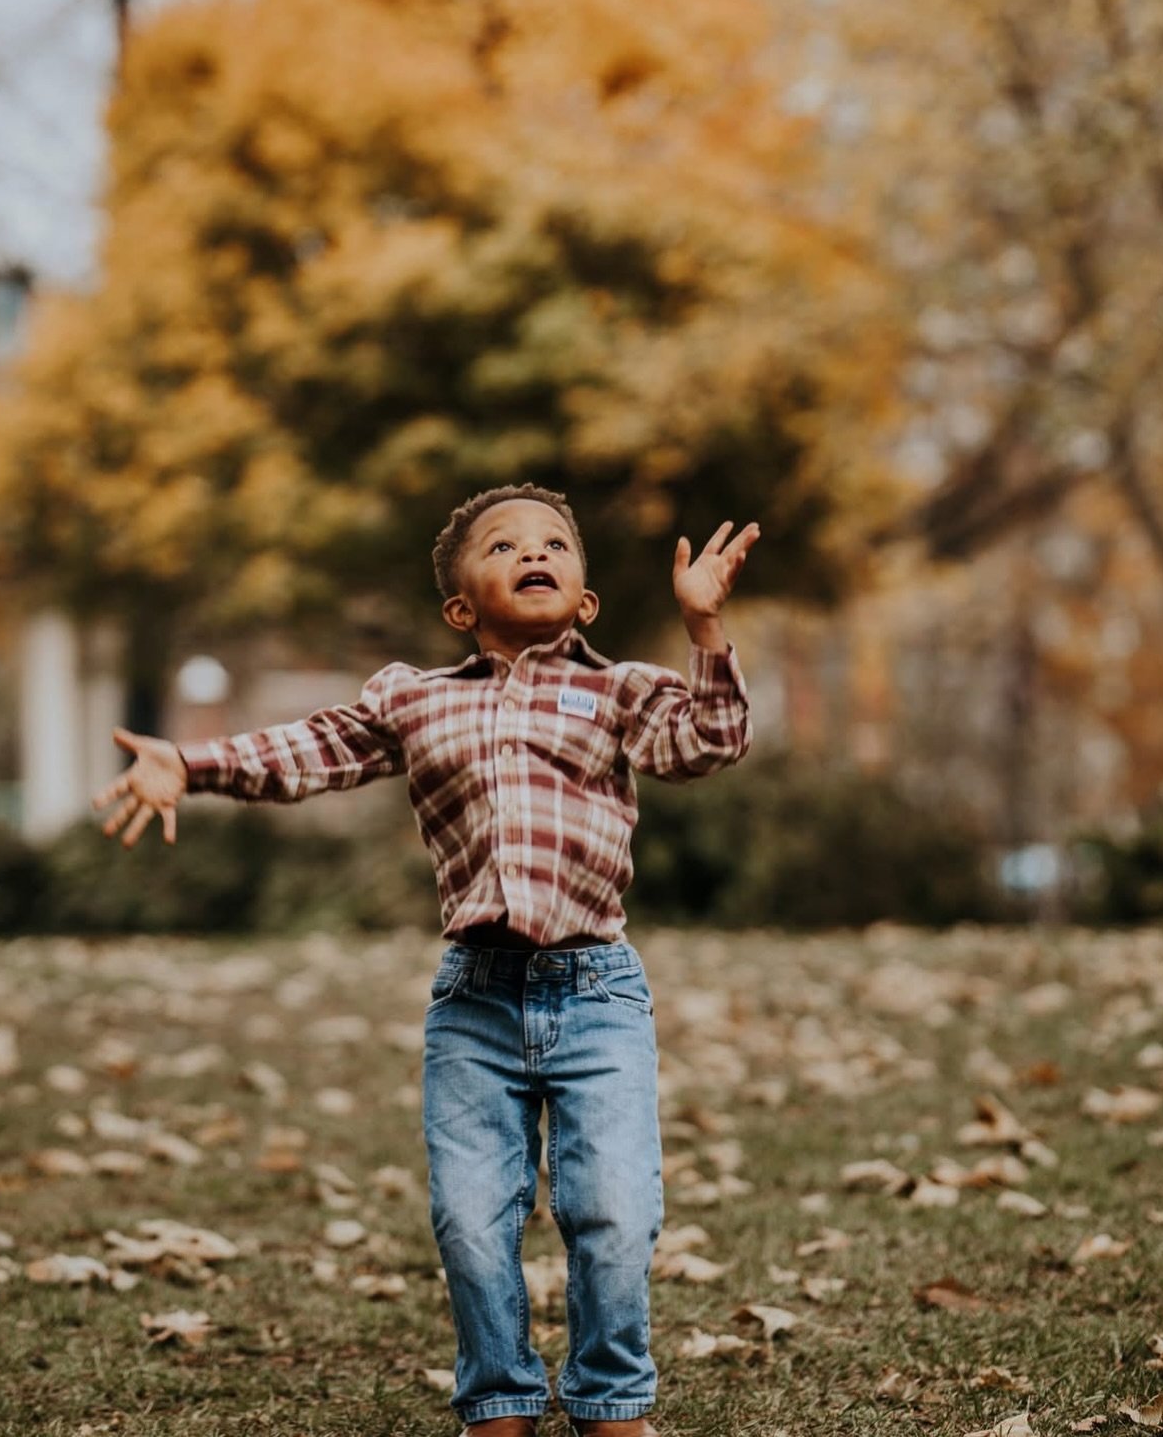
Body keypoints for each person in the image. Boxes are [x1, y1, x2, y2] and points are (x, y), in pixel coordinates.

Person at [93, 483, 759, 1437]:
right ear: (460, 606)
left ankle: (611, 1400)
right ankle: (498, 1402)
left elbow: (709, 742)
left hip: (598, 991)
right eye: (504, 545)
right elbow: (308, 750)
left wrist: (705, 627)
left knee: (614, 1212)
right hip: (475, 1002)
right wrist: (190, 765)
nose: (533, 552)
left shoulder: (619, 690)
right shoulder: (415, 697)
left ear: (587, 597)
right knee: (471, 1222)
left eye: (554, 544)